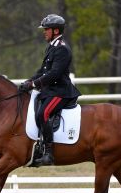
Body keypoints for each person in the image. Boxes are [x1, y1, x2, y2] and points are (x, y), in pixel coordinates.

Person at [19, 14, 81, 166]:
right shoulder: (51, 47)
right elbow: (43, 70)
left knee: (44, 113)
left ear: (55, 30)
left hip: (61, 91)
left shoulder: (62, 49)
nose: (44, 32)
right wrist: (30, 81)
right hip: (51, 90)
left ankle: (49, 153)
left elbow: (54, 74)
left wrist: (35, 85)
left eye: (46, 29)